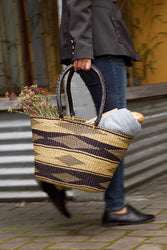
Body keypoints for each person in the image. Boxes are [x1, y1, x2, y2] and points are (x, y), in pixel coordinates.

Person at [41, 0, 155, 226]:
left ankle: (61, 178)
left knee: (111, 128)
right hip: (101, 46)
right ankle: (115, 207)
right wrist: (82, 48)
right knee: (116, 128)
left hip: (101, 44)